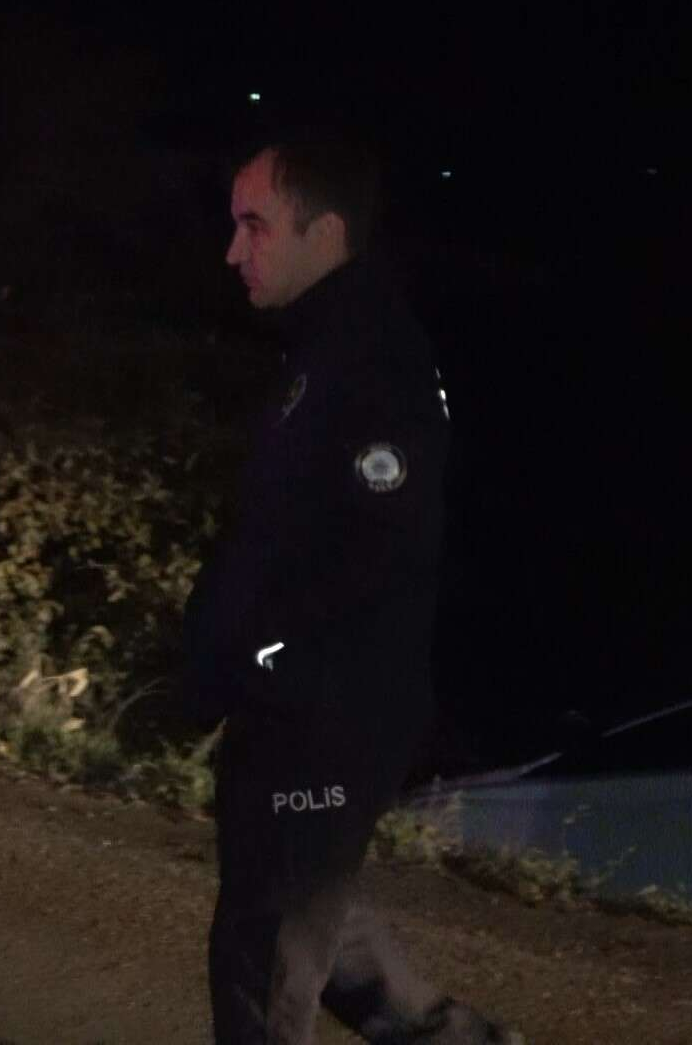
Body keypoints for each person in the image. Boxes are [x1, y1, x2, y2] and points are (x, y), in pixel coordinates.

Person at [182, 134, 519, 1043]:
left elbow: (374, 552)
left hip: (325, 714)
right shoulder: (324, 345)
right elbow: (283, 531)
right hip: (295, 704)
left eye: (255, 225)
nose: (233, 250)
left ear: (324, 233)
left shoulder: (372, 359)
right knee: (313, 918)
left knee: (263, 953)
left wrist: (265, 656)